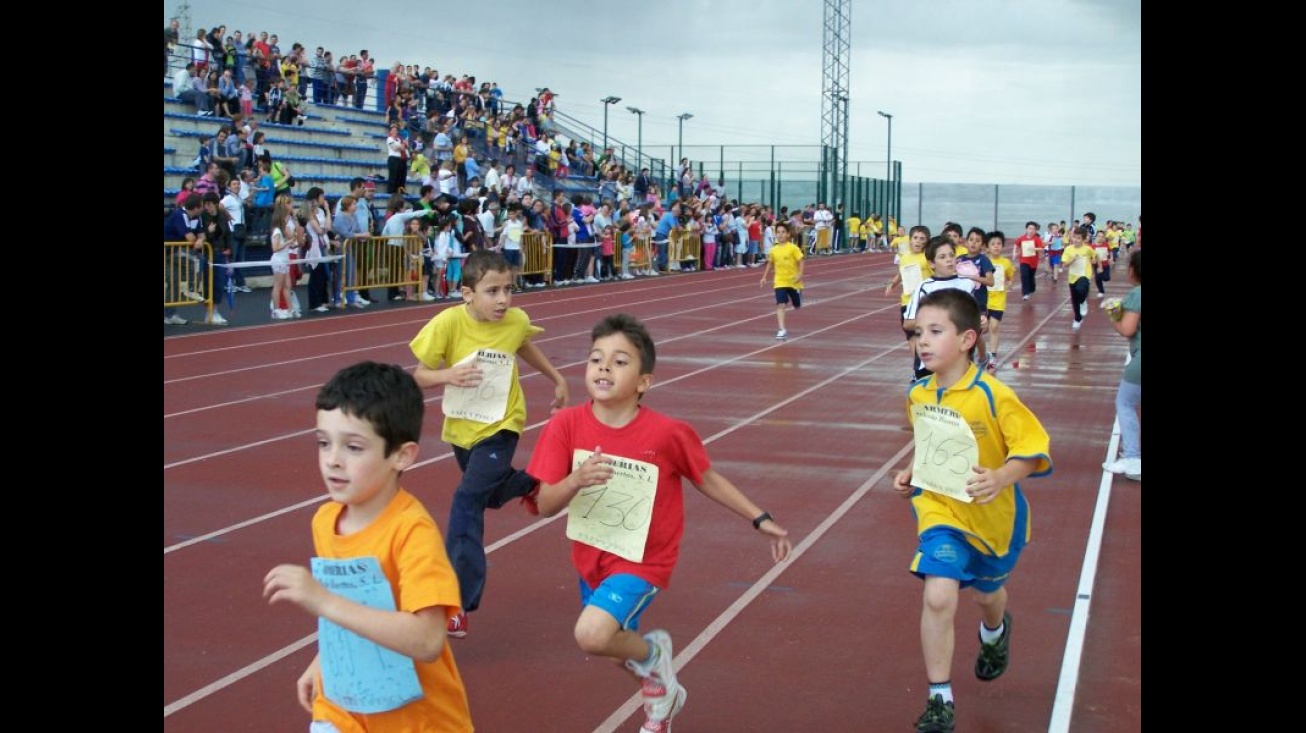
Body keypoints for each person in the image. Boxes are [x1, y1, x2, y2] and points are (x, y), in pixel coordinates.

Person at [526, 313, 793, 733]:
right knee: (614, 650)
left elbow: (706, 477)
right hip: (592, 556)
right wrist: (576, 480)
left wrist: (759, 518)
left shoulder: (666, 434)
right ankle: (663, 693)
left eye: (619, 361)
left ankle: (654, 661)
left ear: (643, 382)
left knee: (592, 634)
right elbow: (543, 505)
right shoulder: (565, 425)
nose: (603, 368)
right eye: (596, 359)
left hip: (644, 559)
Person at [262, 361, 473, 733]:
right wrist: (323, 660)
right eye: (324, 442)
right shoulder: (325, 522)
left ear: (402, 456)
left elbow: (427, 640)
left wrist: (323, 602)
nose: (333, 460)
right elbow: (352, 608)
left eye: (354, 447)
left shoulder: (411, 532)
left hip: (418, 719)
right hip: (344, 708)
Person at [890, 289, 1052, 733]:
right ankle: (939, 698)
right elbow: (928, 443)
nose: (922, 341)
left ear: (966, 339)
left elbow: (1033, 450)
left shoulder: (992, 395)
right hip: (941, 512)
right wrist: (910, 471)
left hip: (993, 520)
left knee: (986, 596)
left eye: (935, 332)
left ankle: (995, 632)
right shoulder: (919, 393)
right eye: (918, 332)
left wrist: (1001, 477)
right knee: (939, 594)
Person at [408, 250, 570, 638]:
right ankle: (532, 482)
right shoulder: (446, 324)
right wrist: (449, 374)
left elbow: (523, 343)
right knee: (488, 496)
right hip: (463, 428)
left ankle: (457, 601)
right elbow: (419, 374)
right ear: (467, 293)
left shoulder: (515, 320)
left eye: (508, 290)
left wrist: (557, 378)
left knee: (466, 500)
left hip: (503, 424)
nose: (503, 300)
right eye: (492, 291)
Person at [903, 236, 978, 381]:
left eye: (951, 255)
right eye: (942, 257)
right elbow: (908, 323)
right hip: (930, 362)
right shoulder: (924, 287)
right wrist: (938, 324)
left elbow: (973, 320)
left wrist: (981, 320)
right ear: (932, 264)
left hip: (959, 360)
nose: (949, 260)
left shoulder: (967, 284)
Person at [1102, 250, 1141, 480]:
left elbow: (1127, 329)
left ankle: (1133, 458)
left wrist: (1113, 315)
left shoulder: (1137, 293)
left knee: (1125, 402)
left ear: (1133, 271)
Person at [760, 223, 805, 340]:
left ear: (788, 234)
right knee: (781, 304)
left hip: (794, 282)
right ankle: (782, 329)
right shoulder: (773, 250)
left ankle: (799, 297)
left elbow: (801, 260)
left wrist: (800, 274)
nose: (780, 235)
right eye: (778, 232)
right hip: (779, 281)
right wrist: (764, 277)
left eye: (783, 232)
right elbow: (770, 263)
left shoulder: (793, 248)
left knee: (797, 305)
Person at [982, 232, 1015, 368]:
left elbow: (1011, 276)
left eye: (999, 244)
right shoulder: (983, 261)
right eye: (993, 244)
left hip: (998, 301)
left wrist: (1010, 283)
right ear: (987, 248)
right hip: (983, 300)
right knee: (981, 329)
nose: (996, 247)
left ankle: (993, 355)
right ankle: (980, 354)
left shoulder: (1005, 263)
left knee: (994, 327)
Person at [1061, 226, 1094, 331]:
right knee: (1075, 301)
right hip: (1072, 277)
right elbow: (1065, 264)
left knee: (1081, 289)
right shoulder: (1068, 249)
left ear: (1084, 240)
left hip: (1084, 275)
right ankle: (1077, 319)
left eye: (1078, 238)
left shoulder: (1088, 249)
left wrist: (1096, 263)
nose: (1075, 240)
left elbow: (1094, 257)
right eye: (1074, 237)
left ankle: (1083, 301)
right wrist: (1073, 259)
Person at [1013, 221, 1044, 301]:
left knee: (1031, 277)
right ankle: (1025, 293)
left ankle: (1032, 288)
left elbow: (1041, 248)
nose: (1031, 231)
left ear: (1035, 231)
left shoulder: (1037, 239)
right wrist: (1014, 253)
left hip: (1033, 262)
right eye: (1030, 229)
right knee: (1024, 276)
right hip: (1024, 260)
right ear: (1026, 229)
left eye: (1033, 229)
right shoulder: (1021, 238)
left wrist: (1034, 249)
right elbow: (1016, 244)